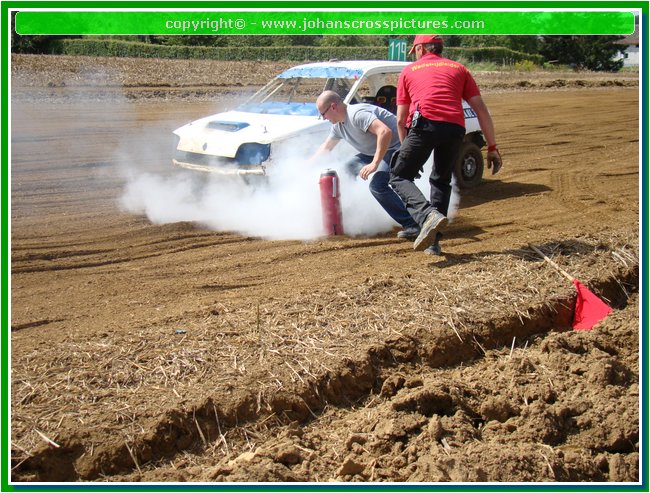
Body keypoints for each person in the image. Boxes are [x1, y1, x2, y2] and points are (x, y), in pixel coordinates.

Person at [390, 34, 502, 254]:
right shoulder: (459, 69)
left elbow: (401, 119)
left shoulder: (409, 71)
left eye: (415, 51)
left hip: (424, 125)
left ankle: (427, 216)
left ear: (421, 48)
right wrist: (492, 147)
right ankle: (433, 243)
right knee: (441, 180)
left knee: (399, 175)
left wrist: (407, 152)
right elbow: (481, 110)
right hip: (455, 129)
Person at [312, 90, 420, 239]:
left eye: (323, 114)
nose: (324, 118)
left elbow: (385, 132)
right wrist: (306, 166)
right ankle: (353, 216)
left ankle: (412, 224)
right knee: (344, 173)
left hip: (396, 148)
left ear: (333, 107)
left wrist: (375, 163)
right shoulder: (338, 126)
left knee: (377, 186)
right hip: (373, 151)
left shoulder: (357, 114)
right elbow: (326, 147)